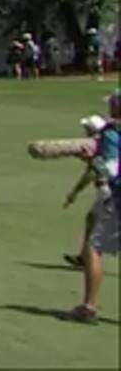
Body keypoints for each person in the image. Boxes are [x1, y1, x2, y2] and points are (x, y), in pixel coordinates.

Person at [63, 91, 120, 322]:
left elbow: (109, 169)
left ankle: (89, 306)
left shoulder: (110, 134)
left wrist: (91, 160)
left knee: (93, 248)